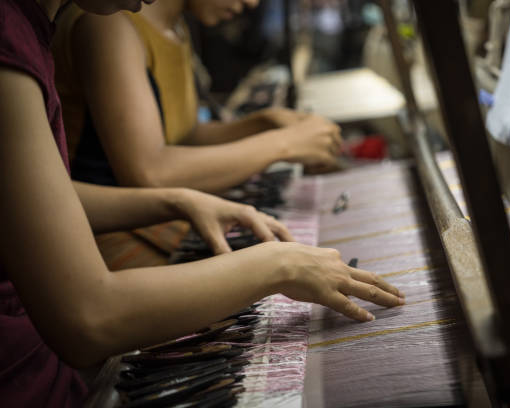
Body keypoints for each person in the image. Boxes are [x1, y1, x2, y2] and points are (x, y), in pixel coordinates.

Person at [0, 0, 405, 406]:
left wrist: (178, 200)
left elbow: (37, 198)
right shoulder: (36, 38)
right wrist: (278, 263)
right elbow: (88, 318)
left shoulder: (31, 31)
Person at [53, 0, 344, 269]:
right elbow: (150, 172)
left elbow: (182, 136)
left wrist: (262, 125)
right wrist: (283, 144)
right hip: (103, 244)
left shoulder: (176, 27)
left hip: (160, 225)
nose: (252, 3)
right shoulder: (108, 26)